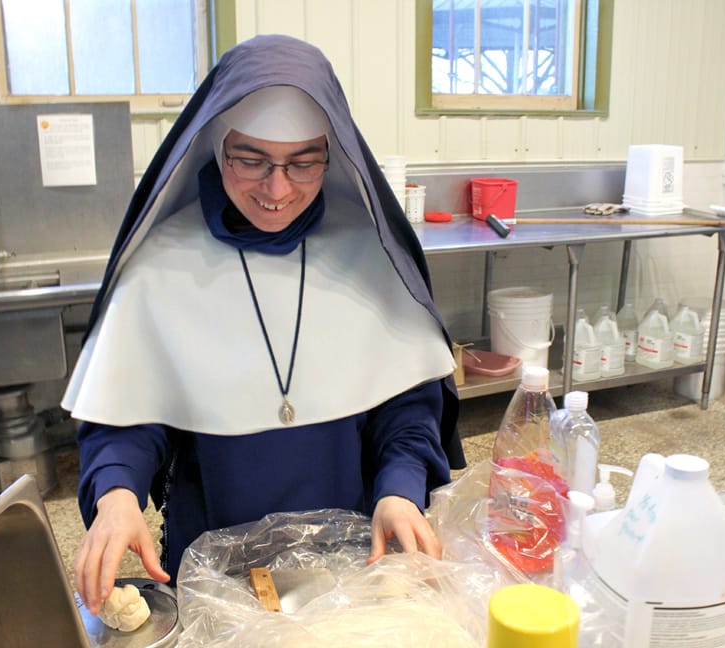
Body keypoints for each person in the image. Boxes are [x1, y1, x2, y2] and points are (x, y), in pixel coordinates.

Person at [62, 33, 465, 616]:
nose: (277, 189)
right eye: (251, 160)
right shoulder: (160, 264)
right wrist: (117, 494)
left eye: (304, 162)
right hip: (212, 565)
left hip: (351, 561)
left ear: (332, 153)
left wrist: (400, 489)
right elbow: (127, 414)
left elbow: (405, 408)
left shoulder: (370, 254)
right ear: (216, 145)